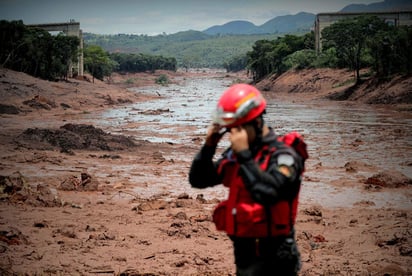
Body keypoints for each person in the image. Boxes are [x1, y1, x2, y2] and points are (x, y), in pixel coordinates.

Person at [189, 83, 305, 276]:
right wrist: (208, 146)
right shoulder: (239, 154)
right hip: (245, 252)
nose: (233, 136)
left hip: (275, 256)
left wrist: (244, 155)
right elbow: (199, 180)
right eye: (230, 130)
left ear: (257, 122)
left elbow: (269, 193)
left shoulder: (285, 155)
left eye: (238, 129)